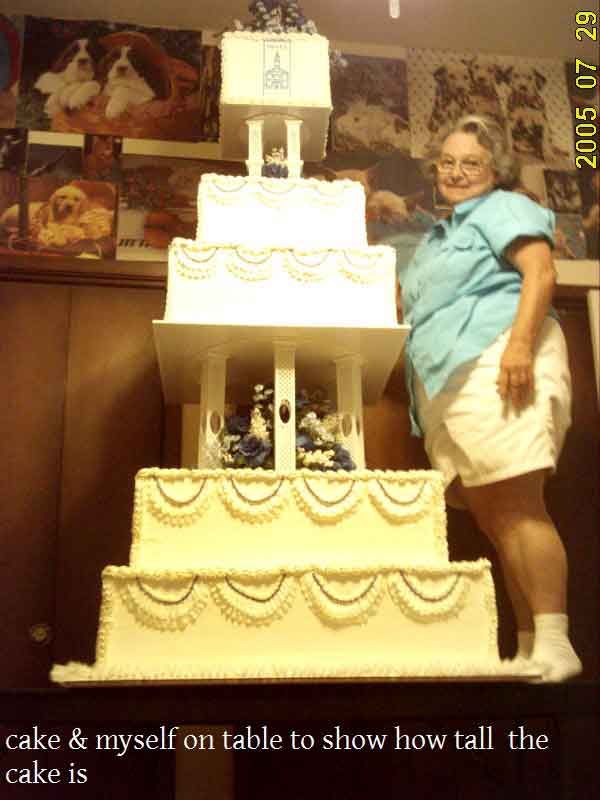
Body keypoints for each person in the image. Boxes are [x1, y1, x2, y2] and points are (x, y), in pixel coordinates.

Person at [398, 114, 582, 682]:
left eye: (471, 162)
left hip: (498, 361)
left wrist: (520, 347)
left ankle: (557, 640)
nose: (457, 172)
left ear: (493, 170)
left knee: (521, 506)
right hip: (448, 384)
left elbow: (541, 273)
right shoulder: (434, 237)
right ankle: (531, 648)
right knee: (498, 520)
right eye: (448, 162)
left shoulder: (504, 207)